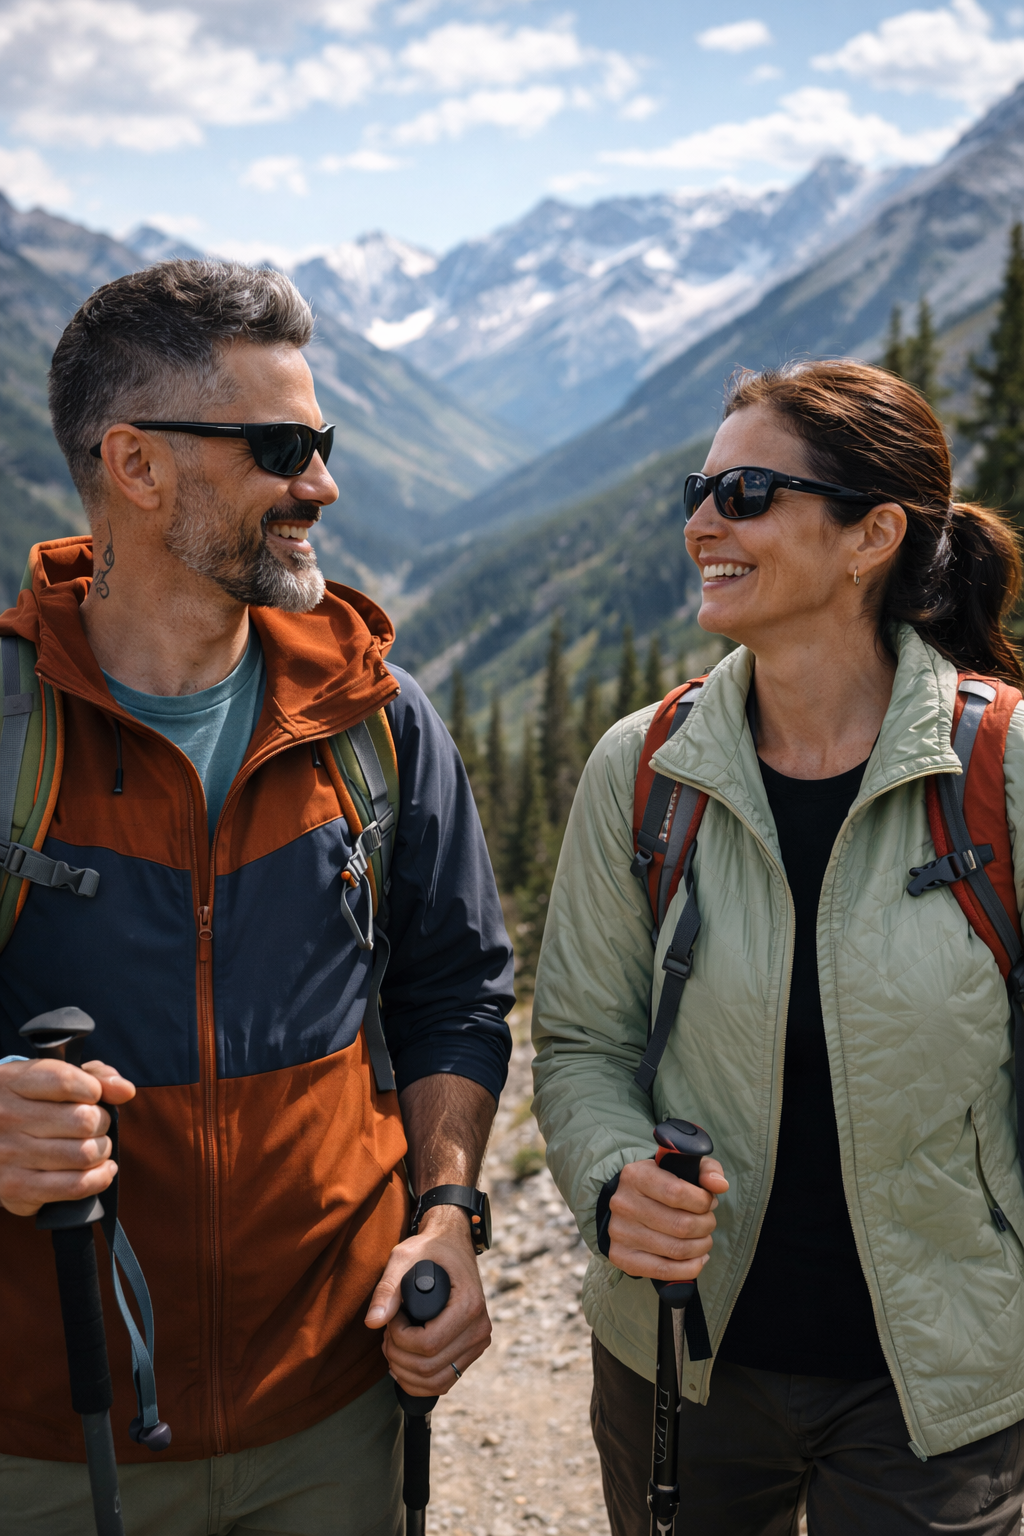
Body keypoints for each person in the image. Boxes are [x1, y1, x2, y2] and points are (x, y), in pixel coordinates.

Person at [0, 259, 514, 1536]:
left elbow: (454, 994)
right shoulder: (10, 732)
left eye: (322, 443)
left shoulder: (376, 723)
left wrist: (448, 1213)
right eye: (284, 447)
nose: (323, 485)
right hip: (48, 1442)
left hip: (336, 1420)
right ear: (137, 464)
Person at [532, 359, 1024, 1535]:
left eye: (746, 491)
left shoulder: (1002, 773)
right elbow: (580, 1042)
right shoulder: (642, 768)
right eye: (702, 487)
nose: (702, 519)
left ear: (871, 537)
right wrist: (612, 1182)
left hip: (940, 1387)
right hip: (677, 1362)